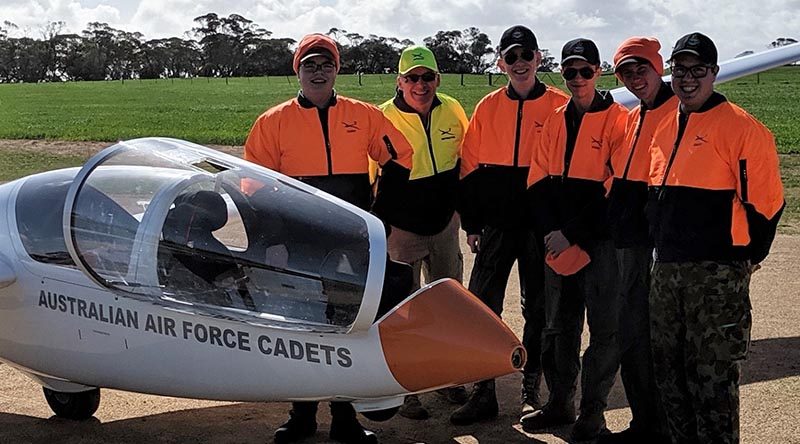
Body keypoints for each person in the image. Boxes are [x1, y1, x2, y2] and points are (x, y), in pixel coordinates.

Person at [244, 33, 413, 444]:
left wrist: (381, 218)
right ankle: (301, 414)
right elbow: (252, 186)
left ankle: (345, 418)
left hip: (351, 239)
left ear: (337, 70)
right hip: (298, 239)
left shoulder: (365, 115)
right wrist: (274, 240)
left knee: (348, 322)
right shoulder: (273, 121)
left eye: (326, 65)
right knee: (301, 324)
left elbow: (401, 157)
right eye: (310, 65)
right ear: (297, 71)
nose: (318, 72)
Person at [646, 32, 784, 444]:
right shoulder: (664, 125)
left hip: (716, 277)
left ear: (714, 73)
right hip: (667, 272)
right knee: (670, 379)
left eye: (698, 70)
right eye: (680, 70)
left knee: (712, 384)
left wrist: (744, 260)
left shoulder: (743, 130)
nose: (688, 79)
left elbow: (767, 207)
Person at [452, 25, 569, 426]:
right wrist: (472, 224)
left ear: (539, 58)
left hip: (541, 229)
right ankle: (484, 391)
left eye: (526, 56)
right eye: (512, 57)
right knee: (483, 306)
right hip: (496, 226)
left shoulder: (560, 106)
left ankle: (529, 389)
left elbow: (567, 173)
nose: (519, 64)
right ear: (501, 62)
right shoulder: (487, 107)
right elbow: (469, 169)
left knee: (538, 308)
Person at [522, 37, 627, 442]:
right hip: (557, 241)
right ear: (561, 72)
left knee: (604, 331)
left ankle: (592, 413)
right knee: (557, 328)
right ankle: (559, 402)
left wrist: (572, 235)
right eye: (569, 71)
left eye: (585, 70)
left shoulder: (619, 120)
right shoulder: (554, 120)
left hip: (598, 243)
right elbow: (537, 179)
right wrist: (552, 234)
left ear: (598, 71)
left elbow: (612, 189)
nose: (577, 77)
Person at [374, 44, 470, 419]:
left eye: (427, 77)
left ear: (437, 79)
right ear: (399, 81)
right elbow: (372, 178)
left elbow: (464, 160)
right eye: (412, 78)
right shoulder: (381, 118)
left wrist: (461, 213)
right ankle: (407, 387)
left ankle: (449, 379)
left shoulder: (453, 109)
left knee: (449, 304)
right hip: (402, 231)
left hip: (445, 225)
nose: (420, 84)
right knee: (403, 311)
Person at [596, 36, 677, 444]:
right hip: (625, 242)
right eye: (626, 72)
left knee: (650, 338)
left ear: (658, 66)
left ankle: (658, 426)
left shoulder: (678, 112)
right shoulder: (633, 115)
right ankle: (644, 423)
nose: (634, 77)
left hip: (653, 246)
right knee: (630, 335)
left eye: (640, 68)